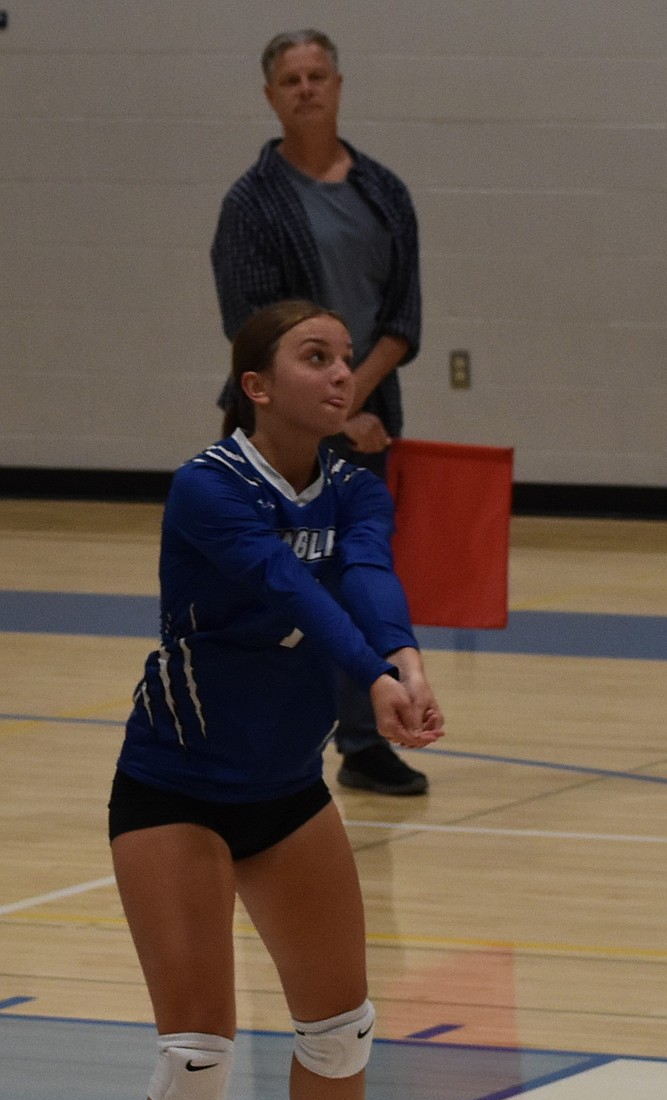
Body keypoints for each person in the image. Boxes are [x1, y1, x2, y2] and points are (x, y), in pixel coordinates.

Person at [109, 299, 444, 1100]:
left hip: (285, 792)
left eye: (347, 357)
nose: (342, 373)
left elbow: (367, 574)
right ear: (257, 384)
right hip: (174, 789)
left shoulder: (354, 486)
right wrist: (373, 677)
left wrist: (402, 656)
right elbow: (289, 586)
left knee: (341, 1032)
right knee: (197, 1052)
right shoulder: (209, 487)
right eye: (315, 357)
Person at [211, 27, 428, 796]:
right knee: (275, 584)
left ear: (338, 86)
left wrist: (350, 397)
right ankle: (251, 737)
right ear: (271, 97)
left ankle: (366, 741)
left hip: (368, 420)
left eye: (317, 75)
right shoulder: (251, 204)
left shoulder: (383, 190)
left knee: (359, 577)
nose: (306, 88)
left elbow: (403, 316)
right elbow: (254, 329)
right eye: (291, 79)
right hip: (277, 431)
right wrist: (329, 413)